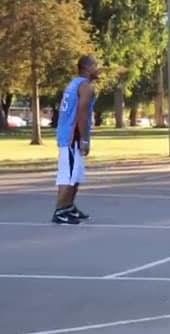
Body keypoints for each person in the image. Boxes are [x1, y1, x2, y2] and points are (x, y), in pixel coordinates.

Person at [52, 55, 99, 225]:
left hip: (70, 133)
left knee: (76, 174)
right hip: (72, 136)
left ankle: (69, 207)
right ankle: (60, 211)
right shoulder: (85, 86)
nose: (98, 68)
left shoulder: (74, 83)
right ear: (87, 67)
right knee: (68, 175)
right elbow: (82, 113)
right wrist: (84, 138)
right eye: (95, 65)